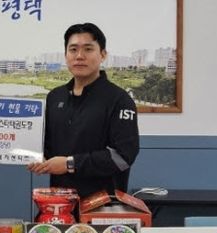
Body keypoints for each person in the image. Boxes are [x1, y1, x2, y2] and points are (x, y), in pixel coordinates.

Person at [28, 23, 140, 198]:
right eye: (73, 49)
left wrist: (70, 163)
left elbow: (123, 156)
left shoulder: (119, 100)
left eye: (88, 49)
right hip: (60, 202)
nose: (79, 56)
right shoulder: (55, 97)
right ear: (65, 55)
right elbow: (49, 146)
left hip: (103, 204)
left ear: (103, 54)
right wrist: (37, 157)